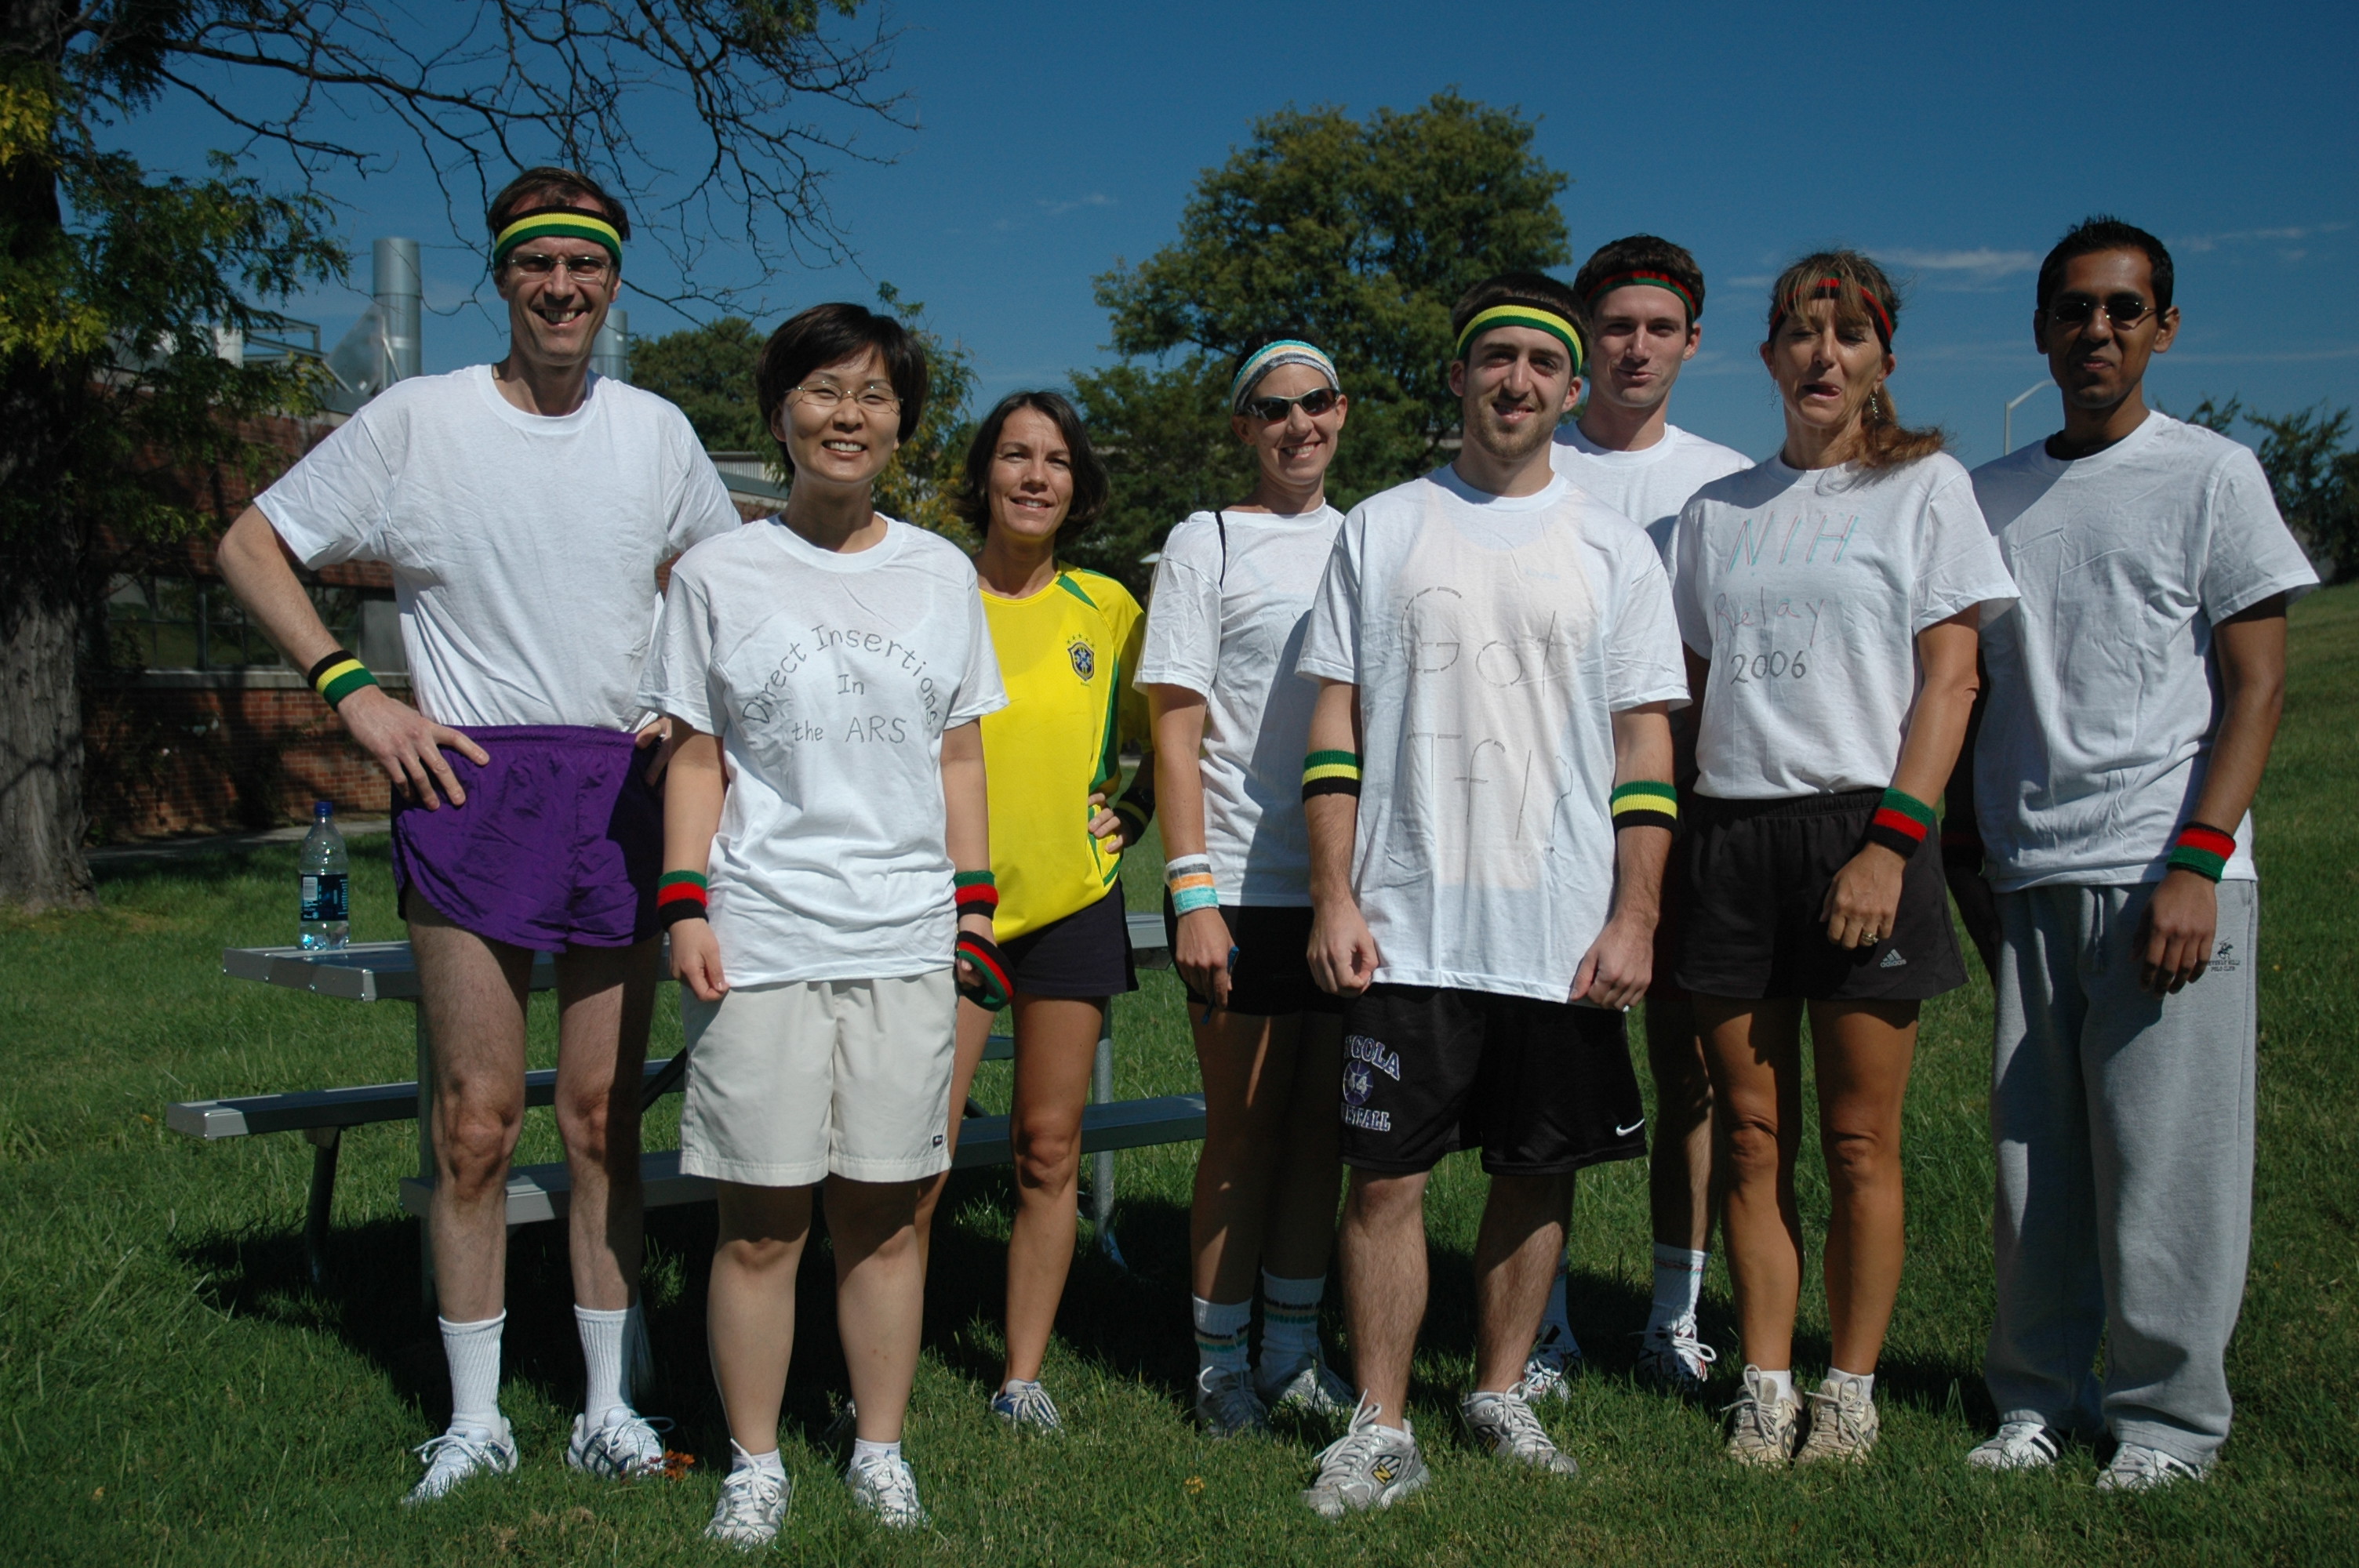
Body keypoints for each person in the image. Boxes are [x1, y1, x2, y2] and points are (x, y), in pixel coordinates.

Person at [215, 168, 742, 1502]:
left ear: (615, 281)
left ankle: (613, 1406)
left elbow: (721, 596)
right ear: (500, 278)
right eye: (535, 266)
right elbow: (249, 543)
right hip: (467, 784)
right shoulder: (416, 419)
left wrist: (682, 725)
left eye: (586, 266)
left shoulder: (660, 434)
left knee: (603, 1119)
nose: (562, 288)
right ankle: (471, 1419)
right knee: (474, 1120)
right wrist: (355, 693)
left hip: (620, 792)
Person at [1294, 272, 1685, 1516]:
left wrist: (1635, 914)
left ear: (1571, 388)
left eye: (1539, 363)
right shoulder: (1382, 527)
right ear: (1459, 375)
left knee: (1537, 1173)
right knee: (1387, 1184)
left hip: (1559, 928)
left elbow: (1644, 748)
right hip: (1406, 926)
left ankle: (1500, 1389)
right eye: (1494, 358)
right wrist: (1332, 895)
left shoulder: (1613, 547)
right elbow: (1334, 728)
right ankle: (1381, 1423)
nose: (1515, 381)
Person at [1950, 217, 2315, 1490]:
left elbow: (2257, 687)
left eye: (2123, 310)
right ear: (2040, 329)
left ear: (2162, 327)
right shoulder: (1987, 496)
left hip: (2169, 875)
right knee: (2032, 1165)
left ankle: (2167, 1423)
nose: (2095, 331)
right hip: (2027, 872)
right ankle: (2036, 1398)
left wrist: (2199, 863)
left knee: (2169, 1167)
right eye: (2072, 310)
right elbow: (1972, 692)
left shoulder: (2212, 475)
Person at [642, 303, 1009, 1544]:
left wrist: (976, 911)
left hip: (906, 935)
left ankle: (878, 1448)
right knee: (761, 1218)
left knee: (889, 1209)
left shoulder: (939, 572)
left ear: (902, 423)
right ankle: (755, 1462)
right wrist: (685, 902)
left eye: (874, 396)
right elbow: (695, 757)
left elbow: (959, 757)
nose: (848, 417)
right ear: (780, 414)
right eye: (822, 392)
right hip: (763, 935)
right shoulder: (717, 574)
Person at [1667, 251, 2016, 1467]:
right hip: (1732, 837)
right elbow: (1691, 694)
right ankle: (1766, 1382)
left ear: (1882, 360)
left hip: (1867, 831)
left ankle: (1850, 1389)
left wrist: (1890, 846)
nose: (1825, 357)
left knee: (1863, 1143)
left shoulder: (1927, 490)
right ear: (1766, 358)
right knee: (1751, 1136)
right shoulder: (1716, 514)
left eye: (1849, 337)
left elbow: (1951, 678)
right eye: (1801, 336)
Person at [1525, 235, 1752, 1399]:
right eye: (1616, 327)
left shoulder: (1728, 482)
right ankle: (1548, 1326)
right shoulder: (1536, 466)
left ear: (1692, 344)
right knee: (1554, 1074)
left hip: (1694, 815)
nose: (1636, 348)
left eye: (1660, 329)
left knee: (1696, 1079)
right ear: (1584, 340)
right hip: (1554, 819)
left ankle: (1673, 1316)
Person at [910, 390, 1155, 1434]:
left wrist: (1133, 814)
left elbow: (1180, 736)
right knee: (913, 1154)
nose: (1035, 476)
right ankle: (887, 1365)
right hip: (945, 907)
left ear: (1077, 484)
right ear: (985, 473)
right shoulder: (926, 589)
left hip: (1071, 906)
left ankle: (1020, 1378)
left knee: (1048, 1149)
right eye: (1015, 455)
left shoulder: (1109, 608)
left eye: (1056, 459)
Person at [1138, 335, 1354, 1436]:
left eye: (1315, 404)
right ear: (1243, 427)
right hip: (1237, 879)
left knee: (1321, 1127)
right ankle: (1219, 1363)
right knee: (1242, 1129)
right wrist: (1191, 888)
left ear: (1342, 412)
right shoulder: (1206, 540)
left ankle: (1292, 1348)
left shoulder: (1376, 537)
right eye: (1272, 410)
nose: (1297, 425)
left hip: (1344, 888)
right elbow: (1174, 727)